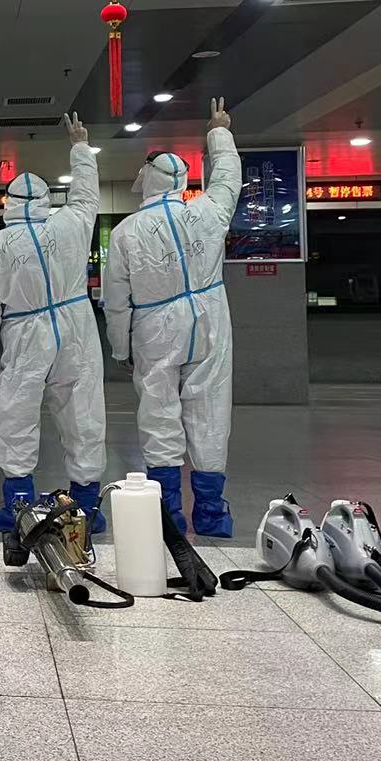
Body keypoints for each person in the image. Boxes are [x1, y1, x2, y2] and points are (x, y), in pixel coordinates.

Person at [104, 98, 243, 537]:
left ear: (148, 179)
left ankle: (168, 513)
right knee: (211, 409)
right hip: (209, 316)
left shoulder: (126, 233)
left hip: (155, 326)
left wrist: (121, 347)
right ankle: (212, 514)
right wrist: (219, 132)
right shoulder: (208, 211)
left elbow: (115, 300)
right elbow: (228, 178)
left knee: (158, 410)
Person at [0, 113, 106, 533]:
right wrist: (80, 145)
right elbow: (86, 195)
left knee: (15, 415)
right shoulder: (72, 224)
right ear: (48, 200)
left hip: (23, 332)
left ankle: (18, 506)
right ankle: (86, 508)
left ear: (8, 202)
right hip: (76, 325)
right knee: (83, 412)